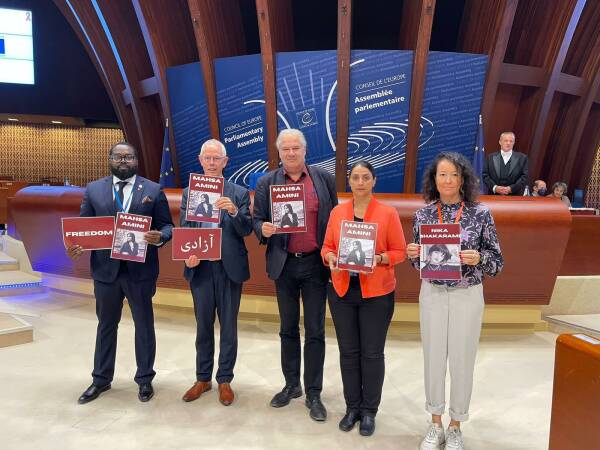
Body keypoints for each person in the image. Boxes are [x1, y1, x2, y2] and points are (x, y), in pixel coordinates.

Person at [407, 152, 503, 450]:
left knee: (462, 359)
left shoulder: (481, 213)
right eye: (442, 175)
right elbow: (420, 263)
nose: (448, 180)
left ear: (463, 179)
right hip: (432, 293)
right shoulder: (423, 215)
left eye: (454, 175)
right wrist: (413, 255)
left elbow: (497, 262)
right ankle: (435, 422)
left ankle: (456, 425)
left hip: (467, 293)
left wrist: (479, 257)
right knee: (433, 357)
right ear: (433, 179)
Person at [66, 142, 174, 404]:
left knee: (144, 326)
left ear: (136, 160)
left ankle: (145, 379)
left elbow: (167, 226)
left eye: (129, 157)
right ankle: (100, 379)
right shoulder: (93, 190)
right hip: (106, 272)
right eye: (118, 156)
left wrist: (160, 237)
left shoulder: (153, 189)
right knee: (106, 325)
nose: (123, 161)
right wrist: (76, 245)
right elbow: (83, 228)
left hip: (141, 271)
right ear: (110, 159)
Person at [252, 128, 337, 422]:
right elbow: (257, 219)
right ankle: (292, 385)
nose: (291, 153)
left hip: (315, 264)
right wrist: (262, 229)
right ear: (279, 152)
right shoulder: (267, 182)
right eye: (285, 149)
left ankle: (314, 392)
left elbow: (335, 218)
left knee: (315, 330)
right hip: (284, 264)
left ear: (305, 150)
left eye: (295, 148)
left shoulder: (323, 179)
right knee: (287, 329)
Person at [321, 160, 406, 436]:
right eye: (355, 177)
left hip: (377, 294)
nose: (360, 182)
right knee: (348, 353)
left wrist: (379, 258)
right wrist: (330, 257)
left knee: (371, 353)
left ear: (374, 181)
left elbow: (399, 251)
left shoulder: (387, 213)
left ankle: (369, 411)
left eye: (365, 177)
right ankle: (352, 407)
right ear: (349, 181)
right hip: (343, 291)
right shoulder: (338, 212)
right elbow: (326, 247)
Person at [180, 139, 252, 406]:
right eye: (207, 158)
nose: (211, 163)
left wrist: (233, 211)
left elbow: (247, 229)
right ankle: (203, 378)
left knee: (229, 327)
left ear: (225, 161)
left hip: (229, 268)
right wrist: (187, 255)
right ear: (200, 161)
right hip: (200, 268)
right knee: (203, 325)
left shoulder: (238, 193)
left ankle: (225, 379)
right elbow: (185, 228)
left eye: (216, 158)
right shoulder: (189, 192)